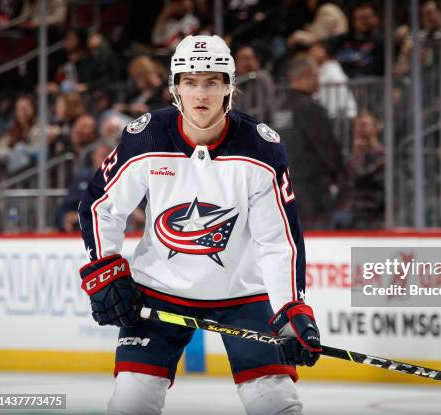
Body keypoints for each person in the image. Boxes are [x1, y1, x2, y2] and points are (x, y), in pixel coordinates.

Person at [77, 35, 321, 415]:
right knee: (131, 402)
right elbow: (100, 206)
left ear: (229, 87)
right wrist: (105, 269)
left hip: (244, 294)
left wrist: (292, 307)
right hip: (159, 290)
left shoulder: (261, 148)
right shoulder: (147, 138)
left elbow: (279, 240)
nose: (200, 93)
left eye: (211, 81)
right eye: (190, 82)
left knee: (277, 403)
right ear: (175, 88)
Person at [274, 57, 343, 229]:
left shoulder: (280, 108)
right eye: (315, 76)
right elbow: (325, 144)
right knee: (317, 234)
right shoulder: (309, 107)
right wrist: (339, 172)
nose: (318, 82)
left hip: (285, 184)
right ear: (302, 77)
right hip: (313, 185)